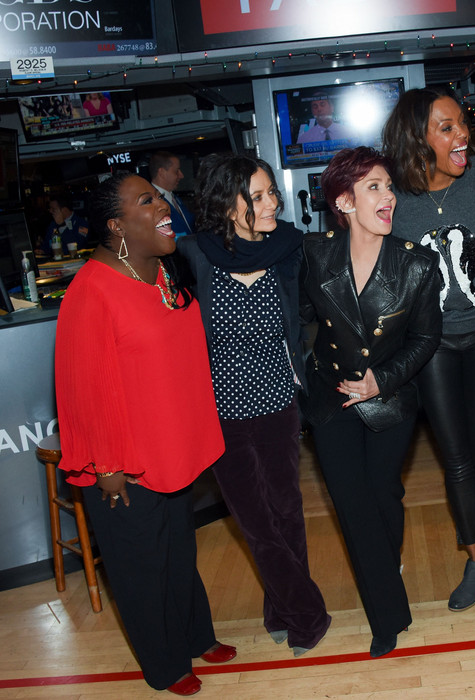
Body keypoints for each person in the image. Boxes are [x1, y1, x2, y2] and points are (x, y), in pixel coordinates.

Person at [53, 172, 236, 695]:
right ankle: (165, 665)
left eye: (157, 198)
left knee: (178, 552)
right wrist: (108, 468)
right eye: (146, 200)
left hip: (168, 451)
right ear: (116, 225)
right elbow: (83, 389)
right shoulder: (91, 290)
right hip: (123, 466)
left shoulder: (156, 273)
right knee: (141, 570)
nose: (162, 206)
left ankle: (197, 636)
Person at [176, 153, 331, 657]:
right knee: (255, 521)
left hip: (279, 403)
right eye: (258, 196)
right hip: (221, 412)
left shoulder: (288, 248)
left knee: (286, 510)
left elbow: (310, 312)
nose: (272, 204)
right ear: (227, 203)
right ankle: (308, 612)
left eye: (271, 194)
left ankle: (280, 607)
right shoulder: (193, 256)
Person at [299, 147, 441, 658]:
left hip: (389, 402)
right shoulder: (316, 255)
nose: (389, 197)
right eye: (374, 187)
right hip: (330, 399)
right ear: (344, 200)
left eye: (388, 186)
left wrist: (382, 380)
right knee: (353, 505)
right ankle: (389, 614)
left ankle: (385, 571)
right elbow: (299, 318)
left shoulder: (418, 264)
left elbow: (426, 338)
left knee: (383, 497)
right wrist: (303, 374)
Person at [382, 88, 475, 614]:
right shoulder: (394, 198)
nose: (462, 135)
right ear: (418, 140)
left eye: (462, 124)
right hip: (431, 341)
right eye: (447, 128)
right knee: (456, 459)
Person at [150, 151, 195, 238]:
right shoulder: (152, 204)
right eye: (176, 171)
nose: (181, 175)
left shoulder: (176, 199)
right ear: (162, 173)